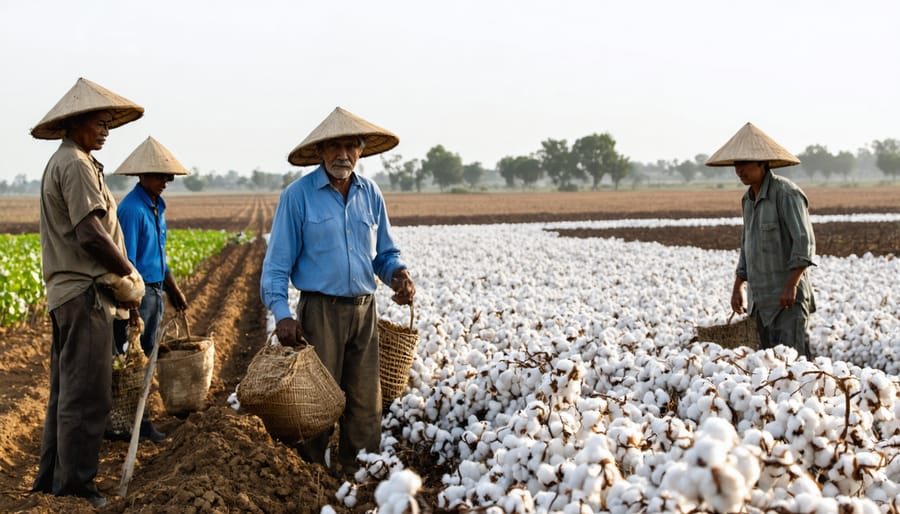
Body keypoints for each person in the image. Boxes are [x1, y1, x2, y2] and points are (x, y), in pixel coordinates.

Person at [260, 107, 416, 473]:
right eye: (334, 147)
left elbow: (384, 254)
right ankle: (308, 476)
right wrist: (282, 314)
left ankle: (358, 477)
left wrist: (398, 274)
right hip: (320, 312)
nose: (342, 155)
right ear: (320, 152)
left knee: (365, 402)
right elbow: (277, 265)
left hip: (364, 311)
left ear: (361, 151)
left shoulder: (371, 193)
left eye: (350, 146)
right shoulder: (297, 197)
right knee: (313, 400)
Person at [30, 77, 145, 508]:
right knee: (89, 394)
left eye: (108, 123)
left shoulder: (70, 161)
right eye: (99, 122)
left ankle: (51, 480)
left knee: (66, 392)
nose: (106, 130)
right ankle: (76, 487)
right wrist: (128, 272)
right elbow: (90, 234)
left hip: (70, 295)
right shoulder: (75, 163)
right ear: (76, 122)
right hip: (85, 295)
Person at [706, 122, 816, 358]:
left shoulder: (786, 194)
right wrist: (738, 287)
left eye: (744, 163)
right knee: (766, 368)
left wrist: (791, 285)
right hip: (760, 302)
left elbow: (804, 243)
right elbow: (747, 246)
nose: (739, 170)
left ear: (762, 163)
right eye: (736, 164)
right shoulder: (747, 201)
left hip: (787, 302)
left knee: (792, 365)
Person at [109, 136, 191, 442]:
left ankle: (135, 422)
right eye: (159, 176)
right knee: (135, 361)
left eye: (167, 176)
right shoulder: (131, 210)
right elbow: (126, 263)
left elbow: (159, 254)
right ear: (142, 176)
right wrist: (131, 309)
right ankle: (135, 425)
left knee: (147, 358)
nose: (165, 181)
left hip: (156, 292)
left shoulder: (157, 208)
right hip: (139, 297)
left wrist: (173, 289)